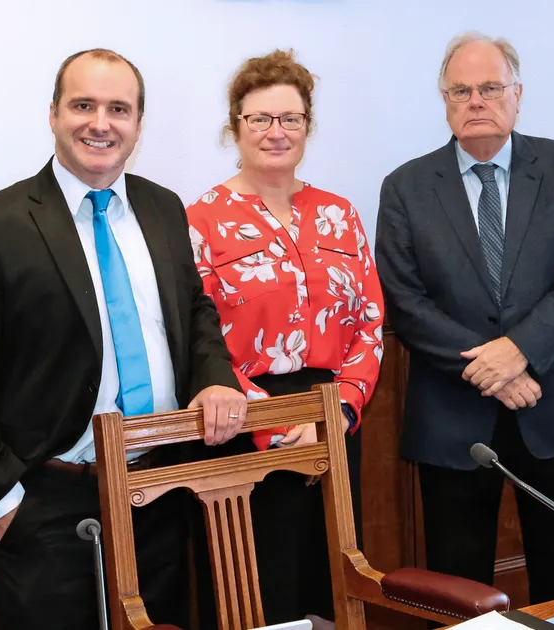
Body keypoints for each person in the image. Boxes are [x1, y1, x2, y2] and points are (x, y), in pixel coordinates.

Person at [0, 48, 247, 630]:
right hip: (47, 502)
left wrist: (214, 377)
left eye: (118, 109)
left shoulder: (163, 207)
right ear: (53, 113)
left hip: (157, 493)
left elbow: (194, 313)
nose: (100, 123)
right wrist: (5, 505)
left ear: (138, 126)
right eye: (83, 105)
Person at [375, 32, 554, 604]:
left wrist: (519, 352)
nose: (475, 101)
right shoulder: (406, 188)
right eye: (460, 90)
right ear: (443, 100)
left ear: (517, 94)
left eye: (490, 87)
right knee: (458, 583)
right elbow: (406, 301)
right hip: (453, 415)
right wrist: (494, 368)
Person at [185, 49, 384, 624]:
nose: (277, 132)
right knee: (262, 589)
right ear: (235, 127)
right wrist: (269, 424)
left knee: (336, 583)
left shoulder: (339, 213)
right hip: (244, 424)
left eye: (290, 119)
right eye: (260, 119)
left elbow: (369, 321)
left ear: (308, 125)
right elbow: (197, 337)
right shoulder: (201, 219)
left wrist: (341, 410)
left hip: (334, 418)